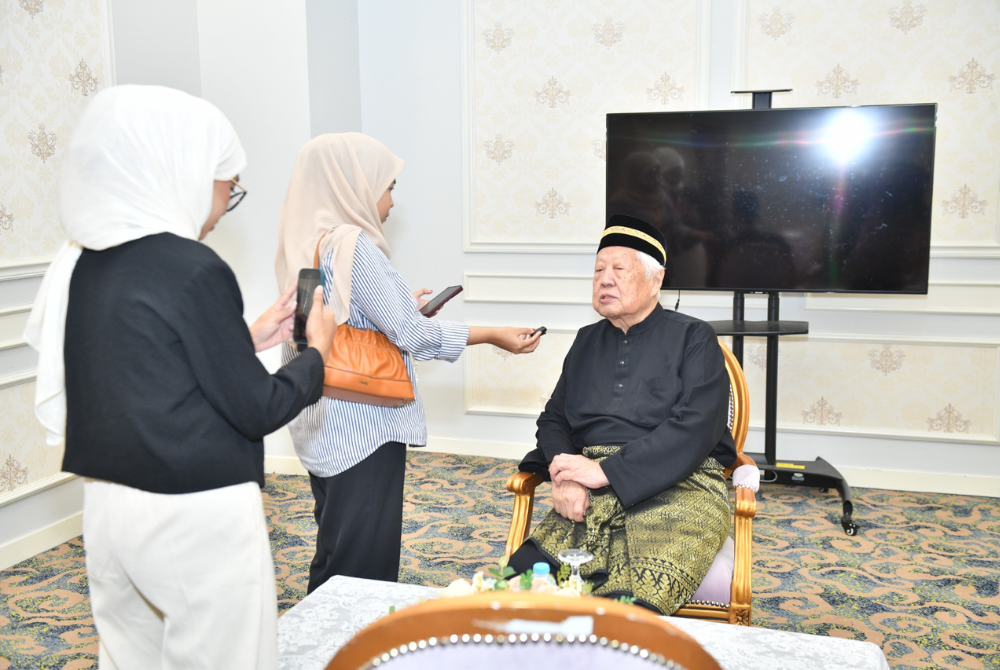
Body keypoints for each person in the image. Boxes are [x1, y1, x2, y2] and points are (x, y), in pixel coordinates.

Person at [23, 85, 338, 669]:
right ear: (183, 169)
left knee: (130, 657)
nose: (223, 204)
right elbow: (258, 407)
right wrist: (316, 353)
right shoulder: (194, 268)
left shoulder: (84, 263)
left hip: (108, 508)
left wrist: (244, 339)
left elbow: (143, 366)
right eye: (228, 185)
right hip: (195, 512)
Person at [275, 133, 542, 593]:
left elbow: (323, 324)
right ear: (355, 183)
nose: (392, 201)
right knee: (364, 569)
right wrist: (493, 334)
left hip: (324, 423)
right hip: (363, 428)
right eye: (389, 186)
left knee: (336, 549)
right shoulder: (354, 245)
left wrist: (401, 310)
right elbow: (413, 336)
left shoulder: (309, 241)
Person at [508, 214, 737, 615]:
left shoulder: (695, 336)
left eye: (619, 270)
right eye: (598, 270)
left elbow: (696, 427)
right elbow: (554, 420)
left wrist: (607, 472)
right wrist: (564, 473)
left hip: (682, 486)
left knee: (626, 612)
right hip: (589, 486)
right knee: (519, 587)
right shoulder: (586, 340)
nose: (605, 280)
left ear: (656, 280)